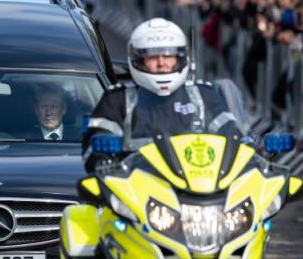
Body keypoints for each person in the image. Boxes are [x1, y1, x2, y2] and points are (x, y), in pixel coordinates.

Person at [82, 18, 238, 168]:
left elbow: (235, 139)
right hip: (137, 188)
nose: (161, 63)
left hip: (199, 186)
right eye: (153, 57)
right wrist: (103, 161)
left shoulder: (204, 95)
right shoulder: (117, 99)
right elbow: (93, 148)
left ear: (181, 58)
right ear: (138, 59)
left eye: (168, 56)